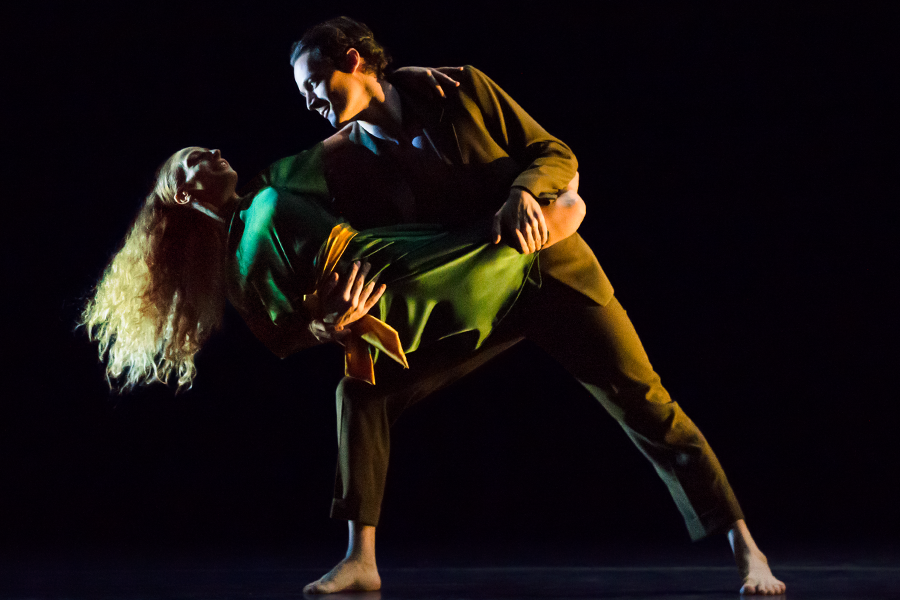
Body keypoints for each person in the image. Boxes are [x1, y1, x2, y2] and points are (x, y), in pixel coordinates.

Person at [288, 17, 786, 596]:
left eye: (313, 82)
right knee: (361, 388)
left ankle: (748, 549)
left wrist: (525, 191)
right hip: (473, 299)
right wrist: (332, 310)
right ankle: (360, 558)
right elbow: (353, 238)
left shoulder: (461, 89)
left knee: (646, 400)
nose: (309, 101)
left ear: (353, 59)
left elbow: (553, 151)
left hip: (551, 268)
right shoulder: (345, 158)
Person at [81, 144, 585, 390]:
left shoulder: (272, 181)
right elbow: (281, 338)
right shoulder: (235, 274)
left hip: (382, 249)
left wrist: (412, 79)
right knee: (537, 227)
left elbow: (348, 135)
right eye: (194, 158)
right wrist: (324, 326)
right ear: (184, 194)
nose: (213, 151)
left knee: (504, 235)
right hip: (373, 292)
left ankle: (543, 227)